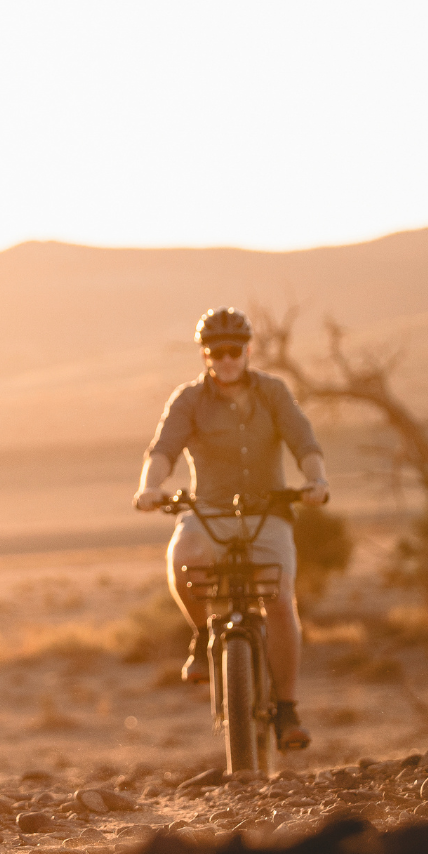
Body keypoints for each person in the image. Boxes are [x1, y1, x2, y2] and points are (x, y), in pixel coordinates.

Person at [133, 307, 330, 750]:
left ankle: (287, 708)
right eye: (217, 351)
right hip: (209, 511)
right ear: (205, 355)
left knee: (279, 598)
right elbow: (163, 449)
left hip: (268, 512)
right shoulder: (188, 399)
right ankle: (203, 633)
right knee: (183, 559)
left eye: (234, 350)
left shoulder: (274, 392)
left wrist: (317, 481)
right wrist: (150, 488)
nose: (226, 359)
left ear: (247, 350)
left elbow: (304, 441)